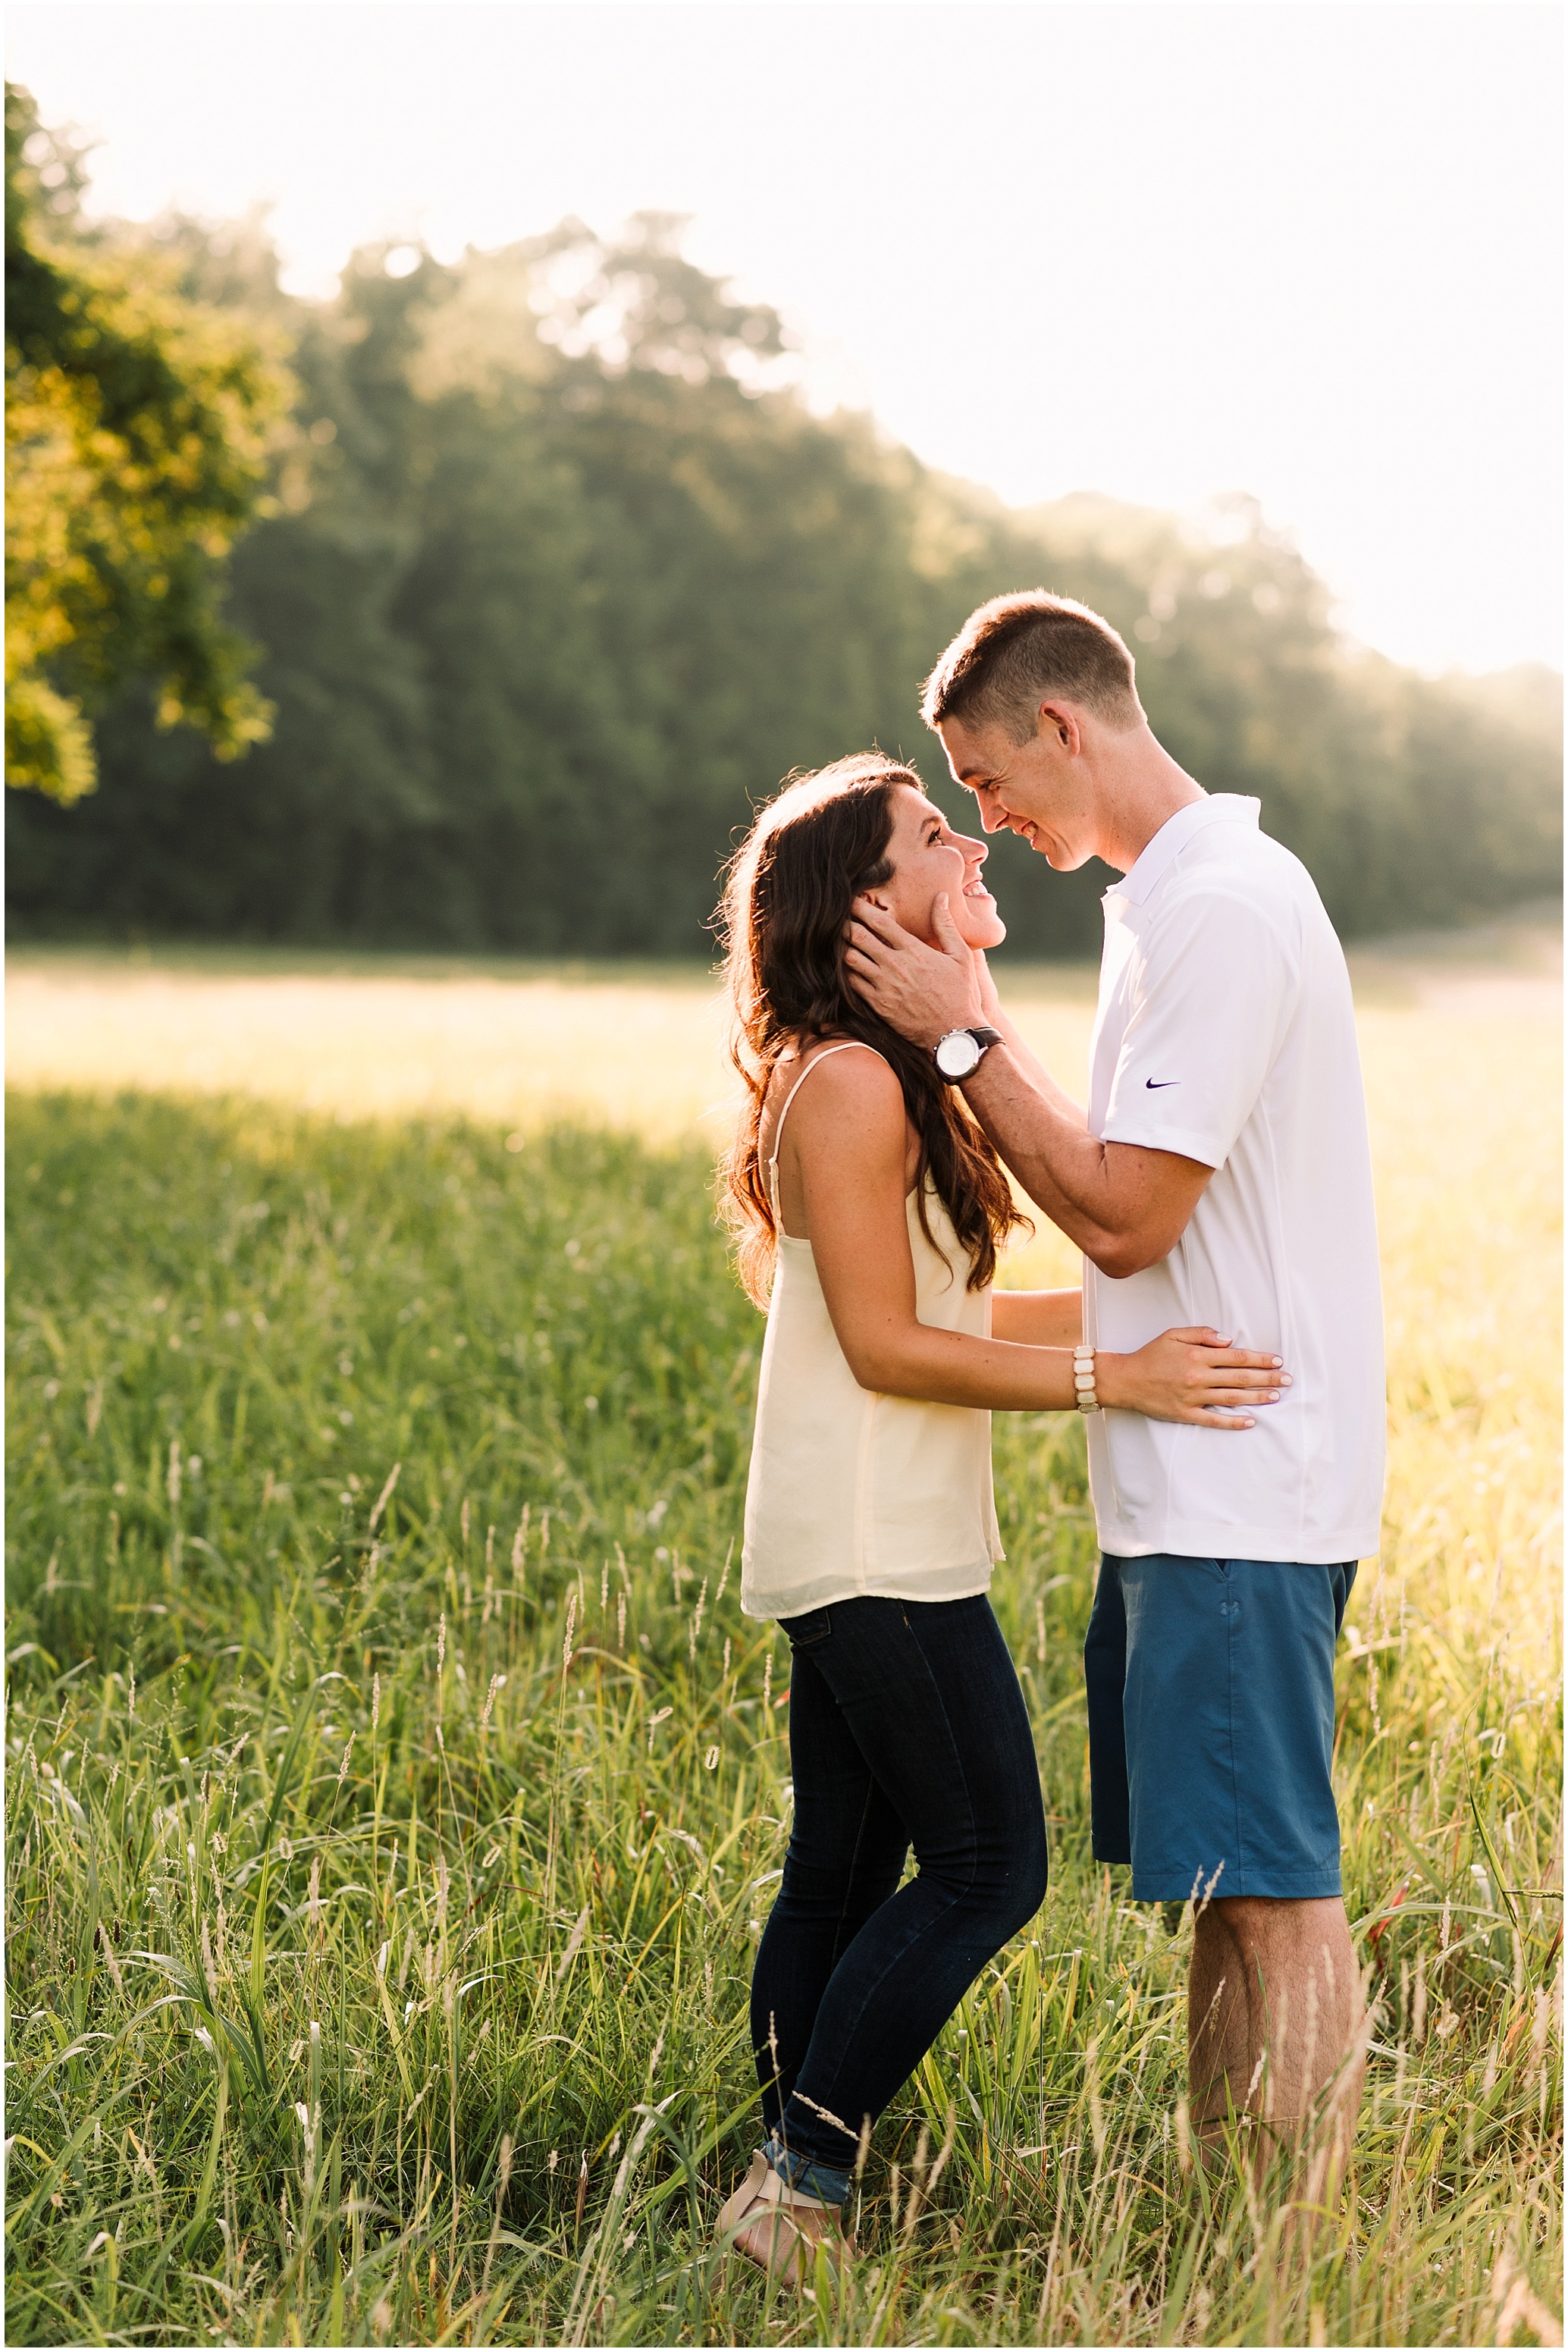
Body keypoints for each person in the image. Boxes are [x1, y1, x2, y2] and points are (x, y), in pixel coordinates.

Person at [713, 751, 1294, 2284]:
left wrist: (1147, 1324)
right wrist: (1126, 1382)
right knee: (989, 1871)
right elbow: (886, 1347)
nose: (967, 840)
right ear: (864, 912)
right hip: (866, 1548)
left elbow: (959, 1306)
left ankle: (777, 2177)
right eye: (926, 833)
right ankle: (796, 2180)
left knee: (841, 1868)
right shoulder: (841, 1083)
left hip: (883, 1537)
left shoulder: (890, 1072)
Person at [845, 592, 1385, 2187]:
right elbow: (1126, 1239)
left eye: (985, 777)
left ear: (1060, 727)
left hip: (1236, 1470)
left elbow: (1119, 1210)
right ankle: (1232, 2208)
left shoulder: (1218, 905)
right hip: (1189, 1468)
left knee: (1273, 1883)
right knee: (1225, 1874)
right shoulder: (1161, 904)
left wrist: (959, 1042)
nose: (983, 821)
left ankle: (1298, 2250)